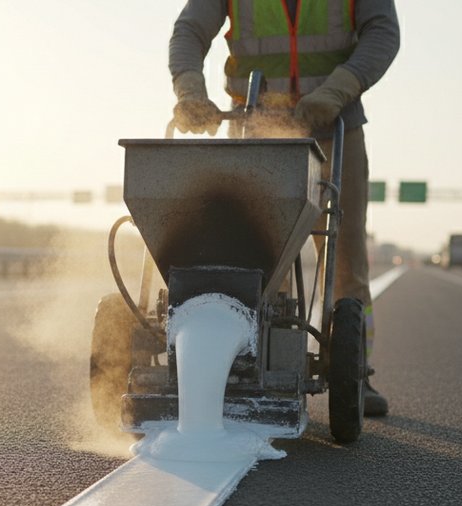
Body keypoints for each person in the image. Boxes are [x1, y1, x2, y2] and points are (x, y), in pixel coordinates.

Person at [169, 0, 400, 417]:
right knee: (260, 254)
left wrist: (335, 90)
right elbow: (189, 31)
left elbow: (383, 34)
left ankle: (355, 374)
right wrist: (190, 91)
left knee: (345, 260)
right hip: (259, 129)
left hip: (334, 127)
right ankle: (256, 368)